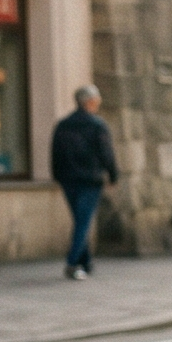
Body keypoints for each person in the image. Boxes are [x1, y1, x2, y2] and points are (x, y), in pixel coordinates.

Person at [50, 85, 116, 280]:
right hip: (89, 180)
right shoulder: (97, 125)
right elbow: (106, 153)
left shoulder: (63, 124)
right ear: (90, 101)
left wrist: (57, 176)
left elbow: (55, 153)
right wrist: (113, 175)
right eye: (96, 100)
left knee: (81, 220)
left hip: (68, 179)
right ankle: (72, 263)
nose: (98, 104)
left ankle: (86, 262)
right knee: (83, 221)